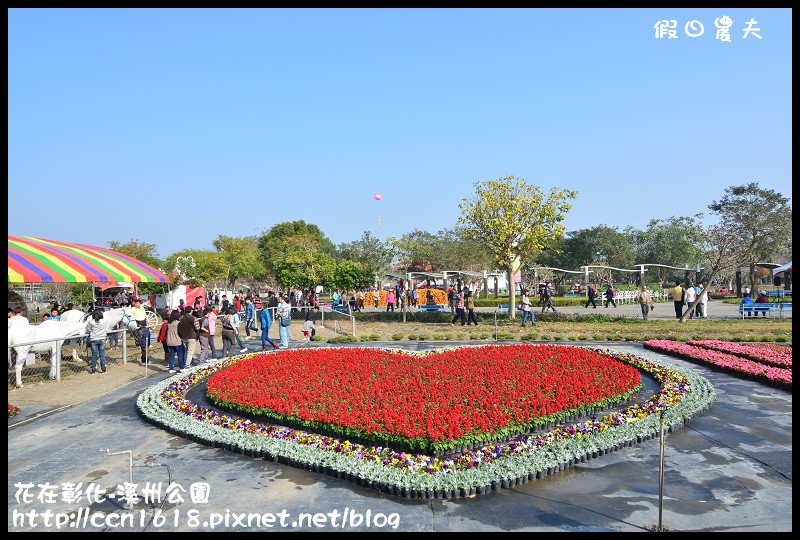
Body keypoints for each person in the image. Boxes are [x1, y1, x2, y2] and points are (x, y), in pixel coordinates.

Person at [87, 309, 109, 374]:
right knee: (102, 354)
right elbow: (107, 328)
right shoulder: (104, 321)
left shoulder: (91, 322)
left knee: (94, 355)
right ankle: (103, 370)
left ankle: (93, 370)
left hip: (93, 339)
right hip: (102, 338)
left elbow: (89, 329)